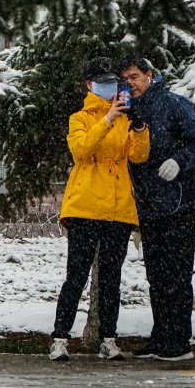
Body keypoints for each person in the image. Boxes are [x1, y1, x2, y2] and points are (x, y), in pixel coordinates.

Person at [50, 57, 150, 361]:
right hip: (85, 206)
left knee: (111, 277)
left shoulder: (124, 116)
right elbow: (81, 150)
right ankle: (60, 338)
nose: (109, 87)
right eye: (102, 82)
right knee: (76, 275)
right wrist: (106, 119)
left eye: (112, 82)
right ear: (89, 84)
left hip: (119, 208)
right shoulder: (79, 118)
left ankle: (109, 338)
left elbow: (139, 156)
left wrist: (140, 127)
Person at [120, 57, 195, 362]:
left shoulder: (174, 104)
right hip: (147, 205)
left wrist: (179, 161)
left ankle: (179, 341)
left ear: (150, 75)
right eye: (125, 79)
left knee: (177, 273)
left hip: (178, 201)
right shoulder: (128, 109)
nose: (130, 83)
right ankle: (161, 338)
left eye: (134, 76)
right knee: (156, 275)